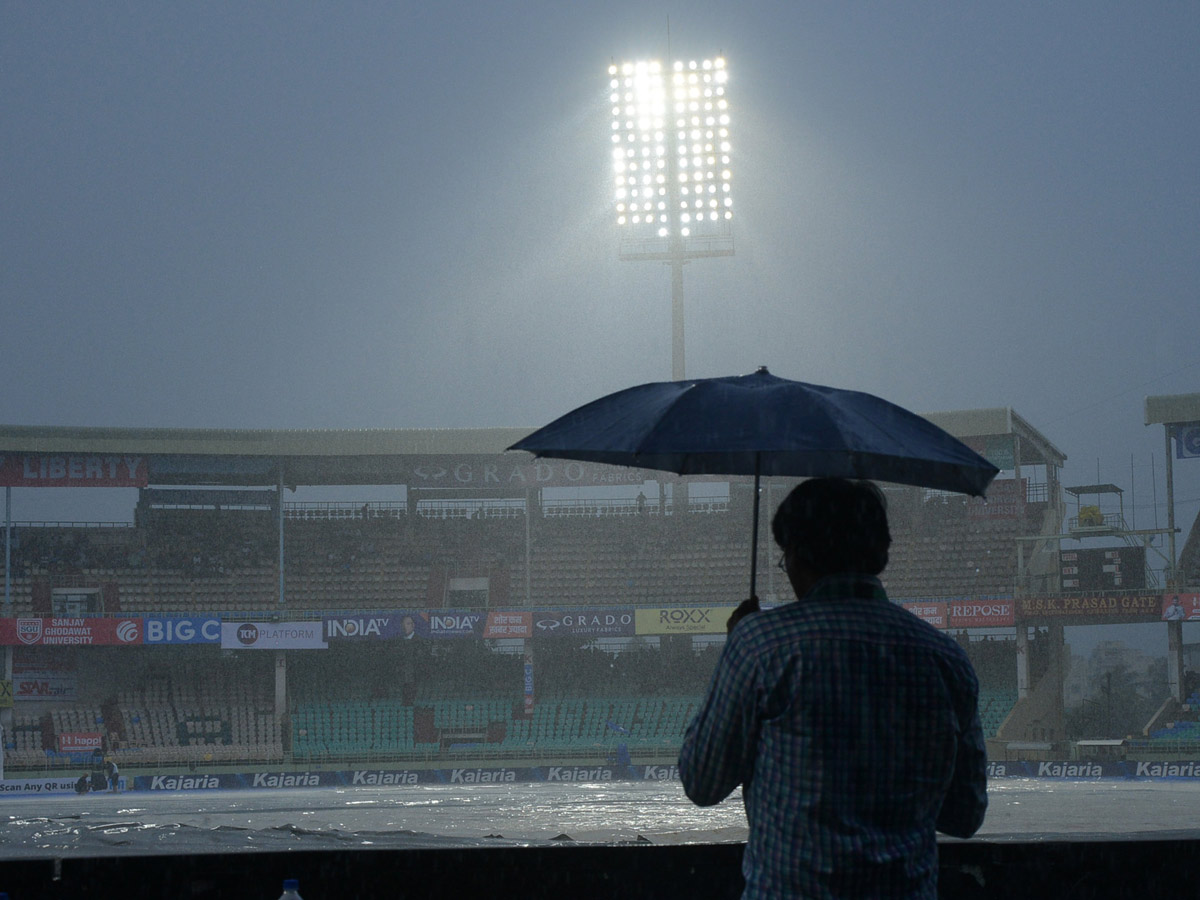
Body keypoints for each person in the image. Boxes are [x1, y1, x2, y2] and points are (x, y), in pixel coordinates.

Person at [679, 478, 987, 899]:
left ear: (799, 556)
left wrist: (736, 643)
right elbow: (964, 815)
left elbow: (702, 781)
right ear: (879, 553)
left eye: (784, 558)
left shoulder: (761, 645)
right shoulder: (945, 658)